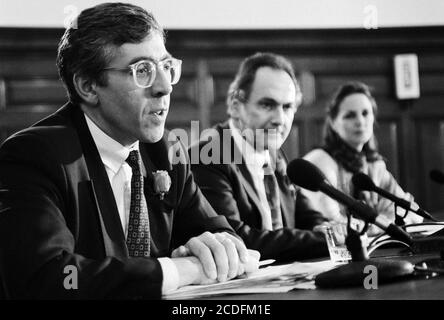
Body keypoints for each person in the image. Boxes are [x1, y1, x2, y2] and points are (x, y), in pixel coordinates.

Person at [0, 2, 259, 299]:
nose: (165, 87)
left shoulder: (166, 152)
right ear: (88, 86)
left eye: (165, 66)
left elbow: (222, 235)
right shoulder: (34, 155)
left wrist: (216, 247)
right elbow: (50, 278)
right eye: (143, 70)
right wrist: (178, 270)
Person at [189, 52, 333, 262]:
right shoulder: (208, 156)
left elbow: (306, 215)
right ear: (235, 106)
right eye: (267, 105)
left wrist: (326, 228)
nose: (279, 119)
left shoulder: (274, 154)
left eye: (287, 107)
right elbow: (235, 239)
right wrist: (325, 240)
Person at [303, 81, 423, 236]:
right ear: (333, 123)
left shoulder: (374, 165)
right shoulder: (319, 161)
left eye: (365, 113)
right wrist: (384, 223)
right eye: (350, 115)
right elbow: (336, 227)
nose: (360, 122)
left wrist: (374, 225)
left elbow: (411, 212)